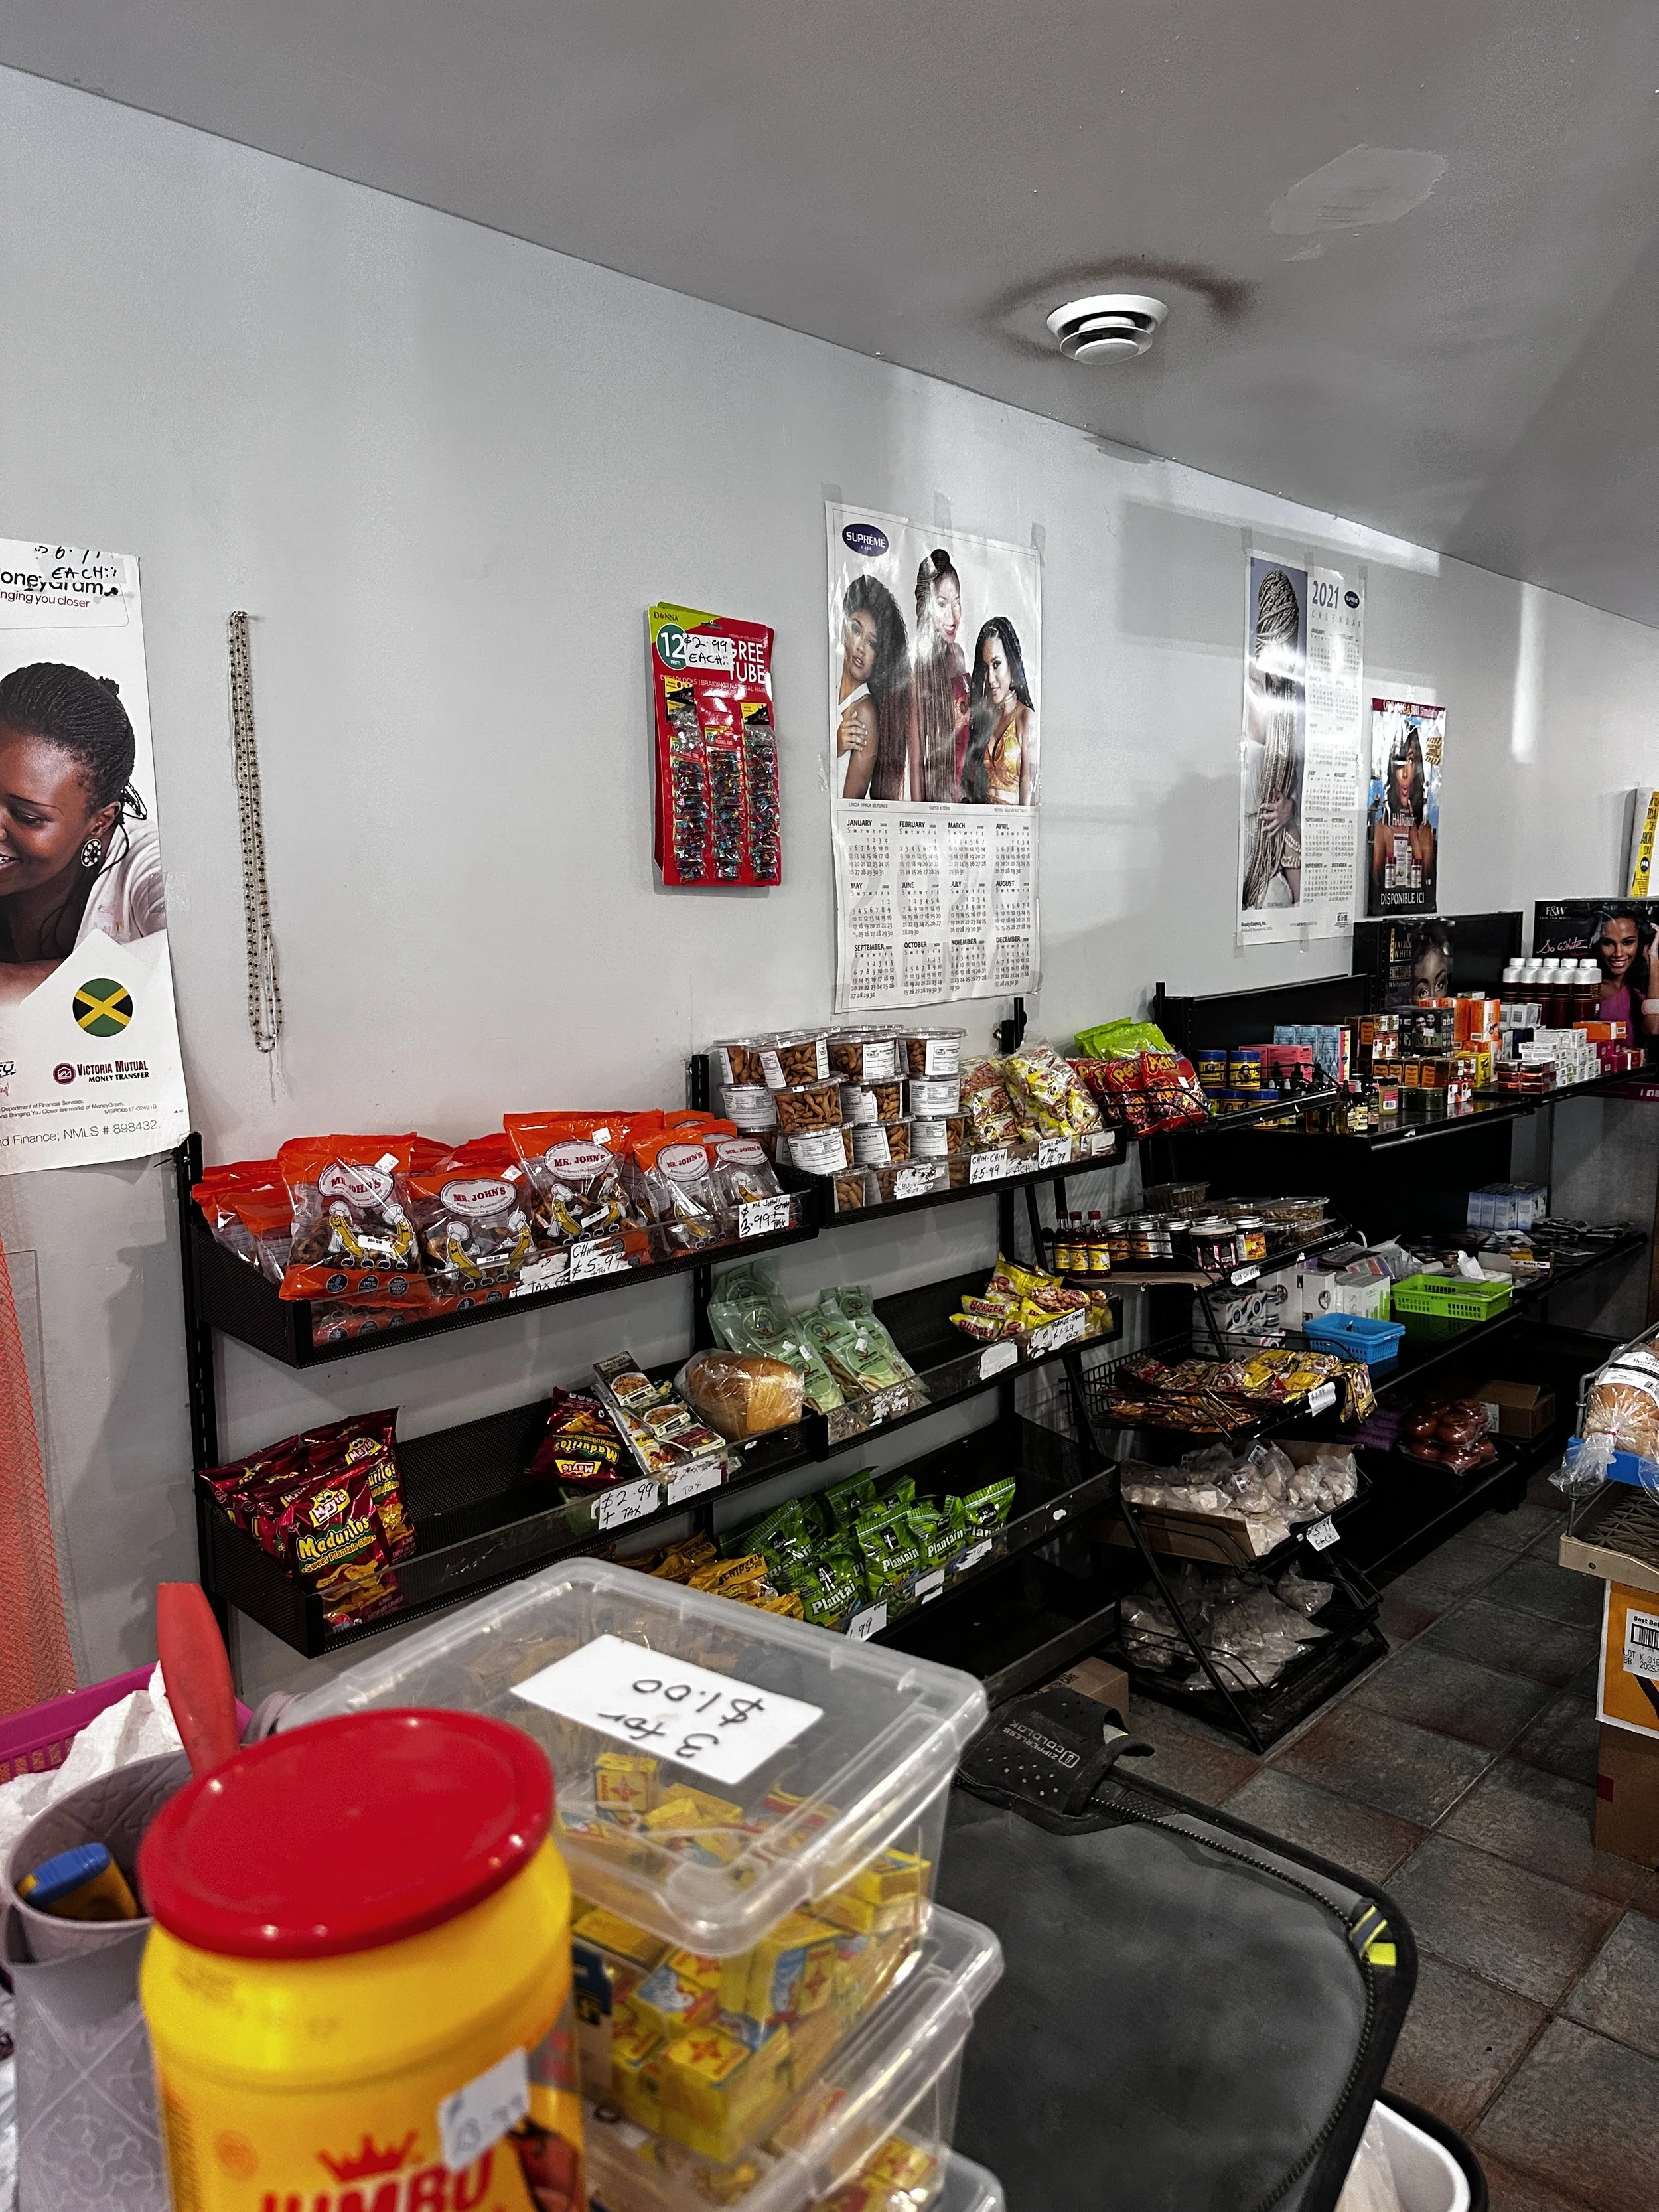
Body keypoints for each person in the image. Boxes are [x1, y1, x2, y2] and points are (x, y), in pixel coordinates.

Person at [0, 662, 165, 1002]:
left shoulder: (159, 866)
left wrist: (11, 982)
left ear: (100, 821)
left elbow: (207, 958)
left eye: (27, 816)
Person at [834, 575, 914, 800]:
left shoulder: (865, 713)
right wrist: (835, 744)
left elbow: (850, 808)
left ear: (880, 656)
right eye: (856, 631)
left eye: (872, 643)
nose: (860, 648)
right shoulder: (828, 691)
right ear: (843, 629)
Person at [910, 549, 970, 802]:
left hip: (970, 797)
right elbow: (916, 760)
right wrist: (921, 820)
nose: (952, 617)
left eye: (956, 602)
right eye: (942, 604)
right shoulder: (919, 672)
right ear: (927, 608)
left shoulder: (960, 655)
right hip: (940, 800)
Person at [961, 617, 1037, 806]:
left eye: (996, 665)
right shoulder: (984, 719)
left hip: (1012, 829)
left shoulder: (1025, 719)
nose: (991, 679)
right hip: (981, 828)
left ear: (1011, 662)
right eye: (985, 668)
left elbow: (1030, 790)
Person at [1369, 724, 1435, 905]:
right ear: (1392, 768)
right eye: (1400, 763)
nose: (1406, 773)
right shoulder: (1382, 828)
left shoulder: (1424, 828)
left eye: (1412, 761)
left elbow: (1427, 886)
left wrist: (1413, 832)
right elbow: (1376, 885)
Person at [1589, 907, 1659, 1040]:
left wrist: (1653, 956)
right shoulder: (1589, 990)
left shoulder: (1640, 994)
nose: (1618, 953)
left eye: (1628, 942)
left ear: (1641, 943)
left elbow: (1654, 1029)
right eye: (1608, 943)